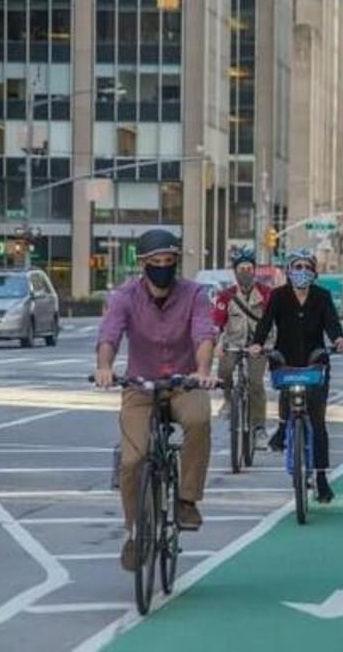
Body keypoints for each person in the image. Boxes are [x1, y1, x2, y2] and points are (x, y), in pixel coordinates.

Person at [94, 228, 216, 572]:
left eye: (169, 261)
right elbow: (110, 334)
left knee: (198, 420)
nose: (162, 267)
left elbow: (204, 332)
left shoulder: (195, 294)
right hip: (140, 385)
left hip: (183, 381)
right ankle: (135, 532)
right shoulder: (124, 297)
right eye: (155, 262)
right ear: (143, 264)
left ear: (176, 262)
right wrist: (104, 367)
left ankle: (187, 500)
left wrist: (203, 369)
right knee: (132, 461)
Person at [249, 248, 343, 503]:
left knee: (317, 420)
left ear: (314, 272)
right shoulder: (279, 296)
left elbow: (332, 324)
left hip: (316, 361)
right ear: (289, 271)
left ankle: (321, 477)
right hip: (286, 359)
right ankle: (283, 427)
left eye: (307, 267)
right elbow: (266, 323)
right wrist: (257, 344)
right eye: (297, 267)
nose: (302, 272)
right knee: (286, 389)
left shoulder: (322, 296)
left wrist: (338, 339)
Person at [212, 246, 272, 450]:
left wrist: (269, 346)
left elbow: (275, 320)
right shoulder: (226, 295)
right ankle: (229, 401)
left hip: (258, 345)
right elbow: (217, 322)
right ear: (235, 272)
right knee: (224, 371)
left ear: (254, 270)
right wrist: (217, 343)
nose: (245, 272)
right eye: (241, 268)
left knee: (255, 383)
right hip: (234, 343)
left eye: (249, 268)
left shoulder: (266, 294)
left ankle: (259, 429)